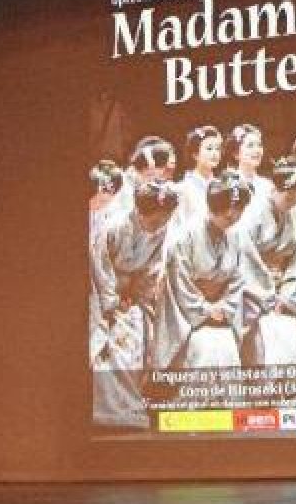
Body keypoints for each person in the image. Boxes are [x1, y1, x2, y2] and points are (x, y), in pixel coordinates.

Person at [89, 180, 179, 427]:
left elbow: (152, 269)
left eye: (165, 219)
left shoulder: (161, 230)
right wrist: (112, 303)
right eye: (154, 221)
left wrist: (138, 297)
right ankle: (108, 409)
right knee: (110, 339)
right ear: (139, 211)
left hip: (133, 295)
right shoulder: (116, 226)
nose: (159, 225)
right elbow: (100, 265)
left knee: (142, 330)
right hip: (102, 293)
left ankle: (131, 405)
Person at [150, 170, 254, 370]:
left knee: (227, 348)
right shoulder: (184, 237)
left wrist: (224, 308)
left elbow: (238, 280)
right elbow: (178, 283)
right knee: (204, 348)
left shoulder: (237, 236)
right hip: (188, 317)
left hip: (223, 312)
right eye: (225, 208)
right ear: (212, 205)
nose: (232, 214)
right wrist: (204, 309)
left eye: (239, 208)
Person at [240, 157, 296, 367]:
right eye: (291, 191)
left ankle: (288, 389)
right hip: (251, 289)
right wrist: (267, 296)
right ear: (276, 187)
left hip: (282, 287)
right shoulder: (253, 213)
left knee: (292, 320)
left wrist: (286, 295)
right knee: (263, 327)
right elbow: (246, 260)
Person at [176, 125, 222, 225]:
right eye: (209, 149)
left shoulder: (222, 186)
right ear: (195, 154)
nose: (215, 153)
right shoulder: (182, 188)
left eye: (218, 149)